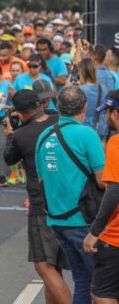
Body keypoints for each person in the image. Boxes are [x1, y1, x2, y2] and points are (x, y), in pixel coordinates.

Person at [36, 86, 106, 304]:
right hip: (84, 220)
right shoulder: (87, 134)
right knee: (102, 285)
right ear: (85, 107)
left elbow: (41, 179)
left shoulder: (44, 136)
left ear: (58, 107)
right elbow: (103, 180)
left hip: (57, 220)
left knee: (82, 280)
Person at [3, 90, 72, 304]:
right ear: (40, 104)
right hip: (71, 201)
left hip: (42, 204)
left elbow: (8, 157)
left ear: (20, 113)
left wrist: (10, 133)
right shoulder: (60, 121)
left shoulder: (22, 135)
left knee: (43, 264)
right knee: (55, 265)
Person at [84, 90, 119, 303]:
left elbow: (114, 190)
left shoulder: (115, 143)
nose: (106, 117)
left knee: (101, 294)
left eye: (107, 112)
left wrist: (94, 231)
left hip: (115, 237)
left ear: (115, 113)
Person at [76, 59, 108, 140]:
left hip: (84, 128)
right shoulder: (103, 88)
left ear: (82, 72)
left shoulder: (80, 90)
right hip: (100, 127)